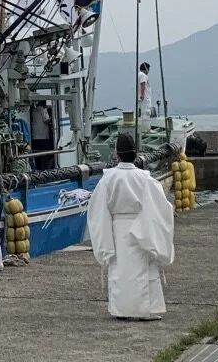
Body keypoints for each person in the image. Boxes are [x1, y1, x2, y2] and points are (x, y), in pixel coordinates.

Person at [87, 133, 175, 321]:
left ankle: (121, 309)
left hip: (117, 229)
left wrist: (103, 244)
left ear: (117, 154)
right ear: (135, 154)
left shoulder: (108, 179)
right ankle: (145, 310)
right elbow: (161, 206)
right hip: (142, 226)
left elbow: (97, 210)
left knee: (120, 270)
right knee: (144, 269)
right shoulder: (144, 178)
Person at [30, 104, 55, 171]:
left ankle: (38, 169)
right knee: (45, 156)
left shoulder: (33, 111)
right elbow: (46, 120)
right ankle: (45, 170)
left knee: (37, 156)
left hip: (35, 137)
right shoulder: (43, 110)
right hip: (43, 137)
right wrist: (52, 117)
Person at [137, 63, 155, 131]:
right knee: (146, 113)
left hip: (141, 98)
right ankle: (146, 129)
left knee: (142, 113)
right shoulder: (143, 75)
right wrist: (142, 94)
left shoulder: (139, 74)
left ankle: (143, 128)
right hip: (145, 98)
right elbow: (143, 84)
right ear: (146, 68)